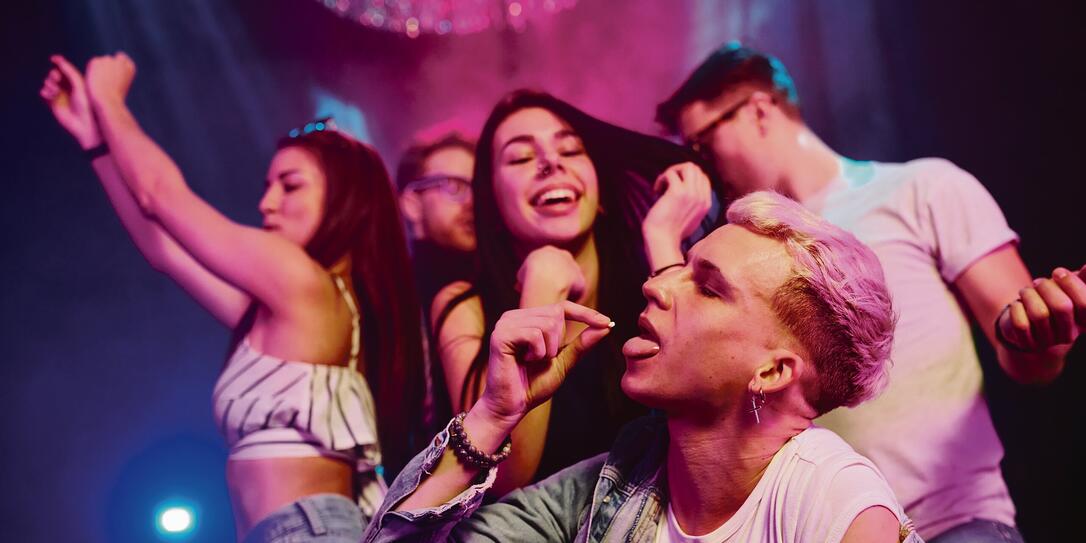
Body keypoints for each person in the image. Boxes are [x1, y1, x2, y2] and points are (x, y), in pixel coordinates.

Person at [654, 43, 1086, 542]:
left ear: (759, 110)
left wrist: (1037, 330)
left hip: (951, 524)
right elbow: (692, 373)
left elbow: (1032, 358)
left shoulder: (921, 188)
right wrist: (665, 240)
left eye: (704, 144)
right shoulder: (735, 255)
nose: (701, 166)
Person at [362, 190, 924, 543]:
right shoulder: (616, 483)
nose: (654, 284)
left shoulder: (829, 497)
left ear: (773, 372)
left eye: (705, 287)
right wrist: (492, 415)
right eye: (678, 266)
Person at [40, 53, 424, 542]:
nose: (266, 204)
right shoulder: (288, 308)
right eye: (267, 187)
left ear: (348, 198)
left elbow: (158, 194)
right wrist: (95, 141)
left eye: (290, 186)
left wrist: (110, 99)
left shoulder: (301, 281)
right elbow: (163, 249)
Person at [431, 89, 721, 495]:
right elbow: (506, 481)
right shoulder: (464, 305)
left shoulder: (648, 278)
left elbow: (715, 403)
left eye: (569, 150)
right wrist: (544, 286)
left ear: (598, 191)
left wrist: (661, 240)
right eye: (520, 158)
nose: (551, 163)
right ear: (492, 202)